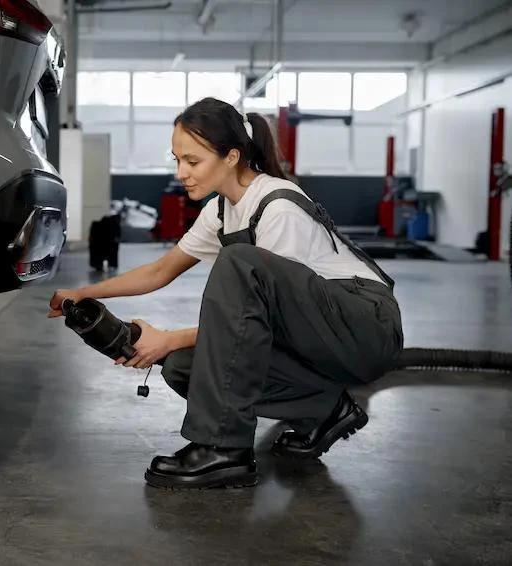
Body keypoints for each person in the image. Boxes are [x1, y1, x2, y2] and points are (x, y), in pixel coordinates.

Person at [48, 97, 403, 490]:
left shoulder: (277, 207)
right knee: (185, 365)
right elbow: (160, 270)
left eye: (193, 161)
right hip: (320, 333)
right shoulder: (222, 209)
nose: (182, 172)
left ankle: (224, 450)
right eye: (177, 160)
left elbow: (258, 324)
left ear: (232, 156)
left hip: (364, 326)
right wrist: (84, 292)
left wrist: (165, 339)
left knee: (238, 264)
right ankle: (324, 409)